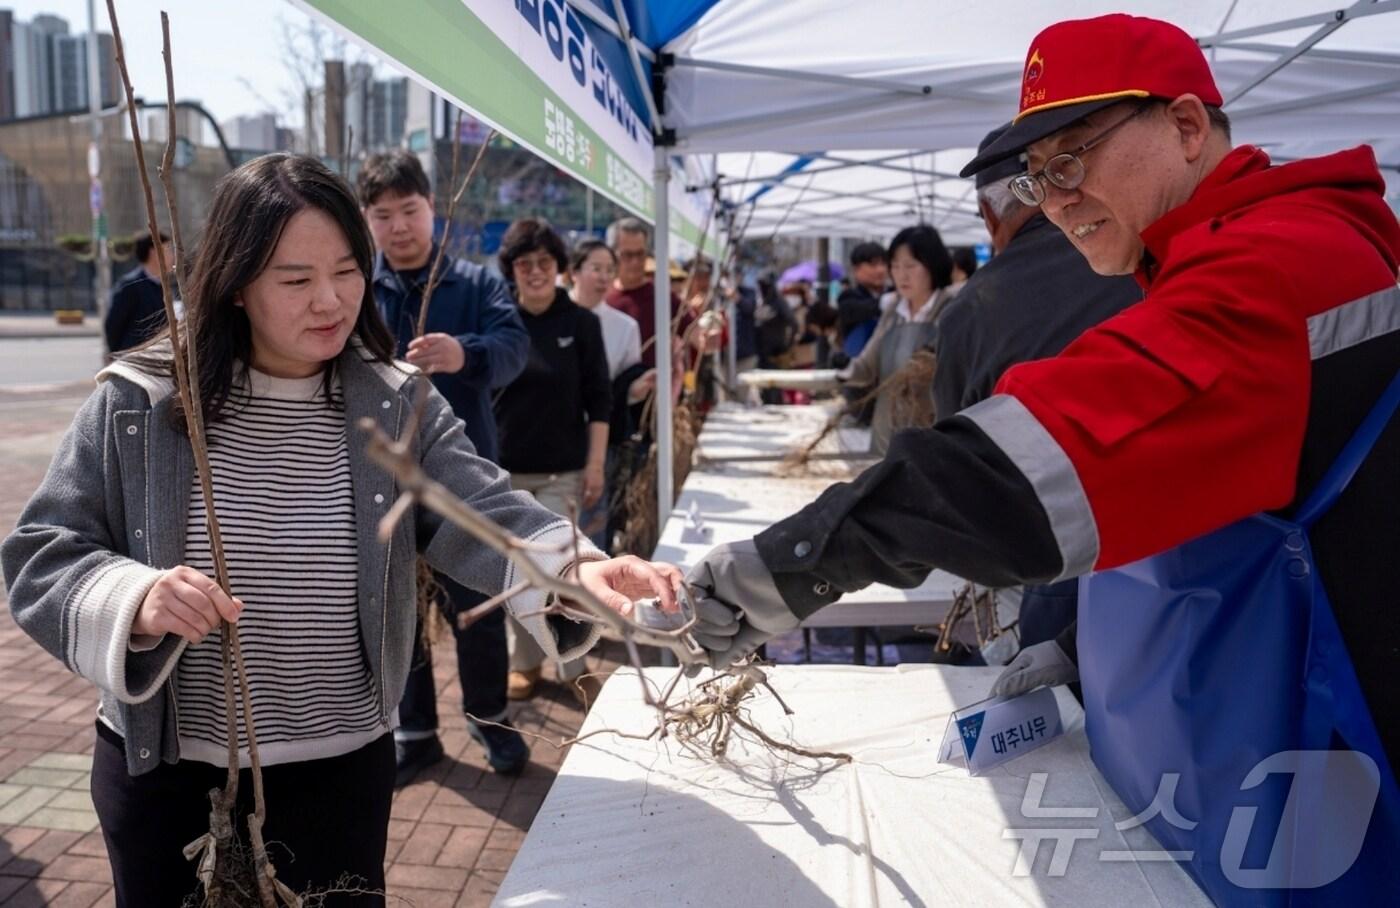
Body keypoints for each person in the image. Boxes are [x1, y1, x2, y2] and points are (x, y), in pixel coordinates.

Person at [686, 14, 1399, 901]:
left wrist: (790, 565)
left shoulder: (1273, 265)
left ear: (1183, 127)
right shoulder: (1239, 247)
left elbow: (1033, 463)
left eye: (1072, 160)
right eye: (1036, 174)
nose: (1053, 199)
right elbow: (1202, 483)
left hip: (1322, 741)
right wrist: (1079, 633)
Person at [1, 153, 682, 907]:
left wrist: (572, 567)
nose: (330, 301)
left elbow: (482, 504)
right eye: (295, 280)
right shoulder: (143, 403)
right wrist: (133, 599)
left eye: (347, 272)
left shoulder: (392, 403)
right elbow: (42, 554)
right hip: (169, 773)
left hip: (339, 767)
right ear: (233, 283)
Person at [356, 150, 533, 783]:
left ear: (433, 210)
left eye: (410, 210)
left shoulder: (478, 284)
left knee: (477, 605)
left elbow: (515, 349)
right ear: (367, 220)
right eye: (383, 215)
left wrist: (467, 353)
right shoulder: (358, 287)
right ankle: (417, 733)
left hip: (464, 480)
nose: (399, 226)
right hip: (383, 482)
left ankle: (492, 725)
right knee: (397, 608)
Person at [933, 123, 1142, 656]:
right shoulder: (1144, 262)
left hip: (1053, 563)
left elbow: (954, 473)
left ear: (988, 215)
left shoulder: (972, 312)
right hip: (1171, 556)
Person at [494, 219, 612, 702]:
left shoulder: (581, 323)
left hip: (564, 471)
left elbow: (600, 401)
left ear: (560, 267)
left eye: (545, 263)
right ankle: (524, 664)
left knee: (565, 570)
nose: (536, 272)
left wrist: (596, 465)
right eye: (526, 264)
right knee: (520, 575)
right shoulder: (499, 321)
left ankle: (575, 667)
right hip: (505, 474)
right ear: (513, 270)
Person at [838, 225, 955, 452]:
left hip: (934, 435)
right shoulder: (893, 312)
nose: (902, 274)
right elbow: (866, 367)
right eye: (895, 266)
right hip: (887, 434)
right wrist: (845, 366)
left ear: (933, 265)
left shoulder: (951, 310)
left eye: (911, 265)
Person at [568, 239, 650, 550]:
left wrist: (636, 389)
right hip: (551, 434)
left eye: (609, 270)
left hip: (600, 435)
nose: (603, 277)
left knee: (592, 518)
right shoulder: (551, 315)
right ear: (574, 272)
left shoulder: (625, 327)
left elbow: (621, 387)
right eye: (596, 269)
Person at [604, 217, 685, 368]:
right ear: (612, 254)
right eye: (627, 255)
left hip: (655, 389)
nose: (635, 262)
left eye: (640, 254)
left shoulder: (663, 297)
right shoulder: (602, 296)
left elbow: (698, 335)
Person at [105, 230, 172, 354]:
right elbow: (113, 326)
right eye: (168, 249)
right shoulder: (130, 285)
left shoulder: (162, 285)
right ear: (154, 252)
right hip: (134, 360)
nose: (172, 255)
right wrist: (117, 356)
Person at [836, 242, 888, 358]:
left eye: (883, 263)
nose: (880, 270)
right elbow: (852, 310)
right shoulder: (849, 296)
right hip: (859, 366)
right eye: (873, 264)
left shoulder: (893, 294)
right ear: (856, 269)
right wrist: (883, 303)